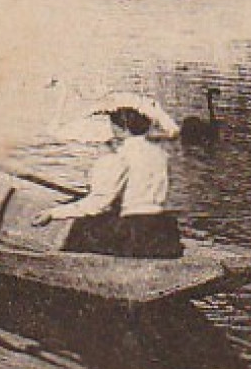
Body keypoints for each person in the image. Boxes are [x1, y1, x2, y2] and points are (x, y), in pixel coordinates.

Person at [30, 106, 183, 258]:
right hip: (162, 227)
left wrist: (52, 213)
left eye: (113, 125)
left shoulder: (121, 156)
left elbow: (99, 204)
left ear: (121, 128)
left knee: (84, 224)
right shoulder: (161, 154)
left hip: (135, 231)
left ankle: (67, 264)